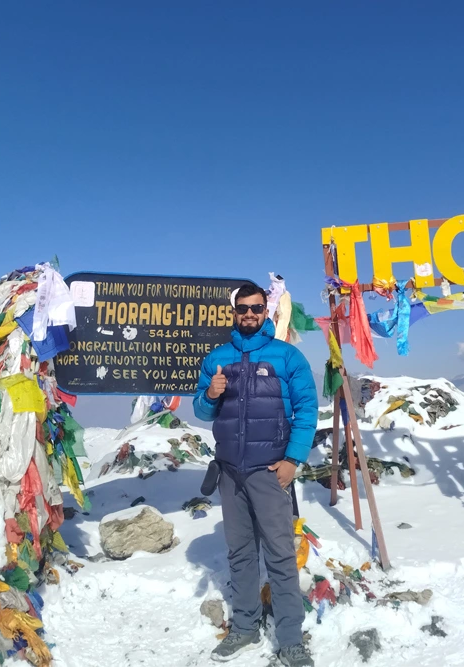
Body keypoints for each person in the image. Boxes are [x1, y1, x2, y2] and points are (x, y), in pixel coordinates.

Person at [193, 283, 318, 667]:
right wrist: (211, 394)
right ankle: (245, 627)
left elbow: (307, 408)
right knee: (241, 554)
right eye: (243, 308)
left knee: (280, 555)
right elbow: (201, 411)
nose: (249, 314)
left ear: (267, 311)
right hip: (231, 473)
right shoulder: (217, 358)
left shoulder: (287, 356)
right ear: (233, 312)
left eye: (256, 308)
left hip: (269, 472)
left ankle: (290, 638)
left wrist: (292, 460)